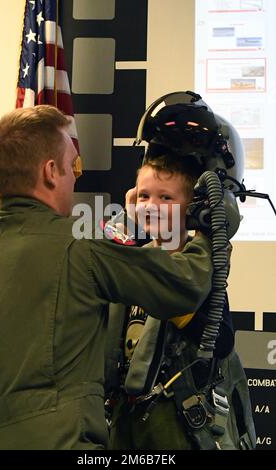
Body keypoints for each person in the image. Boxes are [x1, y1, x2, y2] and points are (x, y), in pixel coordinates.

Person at [0, 105, 214, 450]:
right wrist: (212, 232)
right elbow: (186, 285)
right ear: (50, 171)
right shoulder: (82, 245)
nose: (78, 176)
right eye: (74, 165)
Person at [106, 91, 256, 451]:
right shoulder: (131, 259)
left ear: (195, 207)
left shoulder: (202, 272)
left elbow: (220, 340)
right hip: (128, 427)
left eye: (166, 198)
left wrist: (172, 300)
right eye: (143, 196)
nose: (151, 206)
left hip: (179, 426)